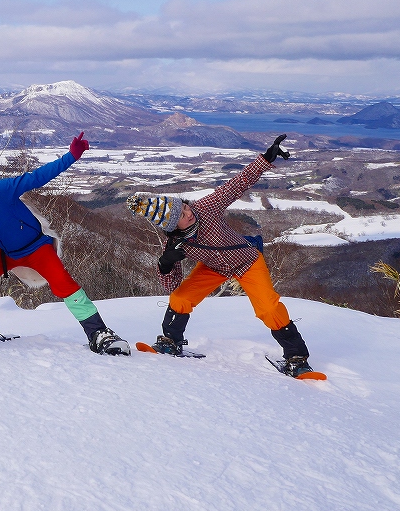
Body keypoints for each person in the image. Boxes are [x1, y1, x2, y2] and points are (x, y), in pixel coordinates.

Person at [126, 134, 317, 377]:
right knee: (181, 298)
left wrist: (266, 158)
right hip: (214, 268)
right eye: (183, 215)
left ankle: (297, 358)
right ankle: (170, 342)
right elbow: (172, 286)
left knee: (268, 309)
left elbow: (237, 184)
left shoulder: (204, 207)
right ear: (173, 226)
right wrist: (165, 264)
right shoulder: (176, 243)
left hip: (247, 261)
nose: (188, 212)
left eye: (185, 206)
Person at [0, 132, 131, 355]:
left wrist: (71, 156)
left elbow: (36, 177)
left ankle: (99, 333)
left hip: (36, 247)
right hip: (6, 253)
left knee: (63, 283)